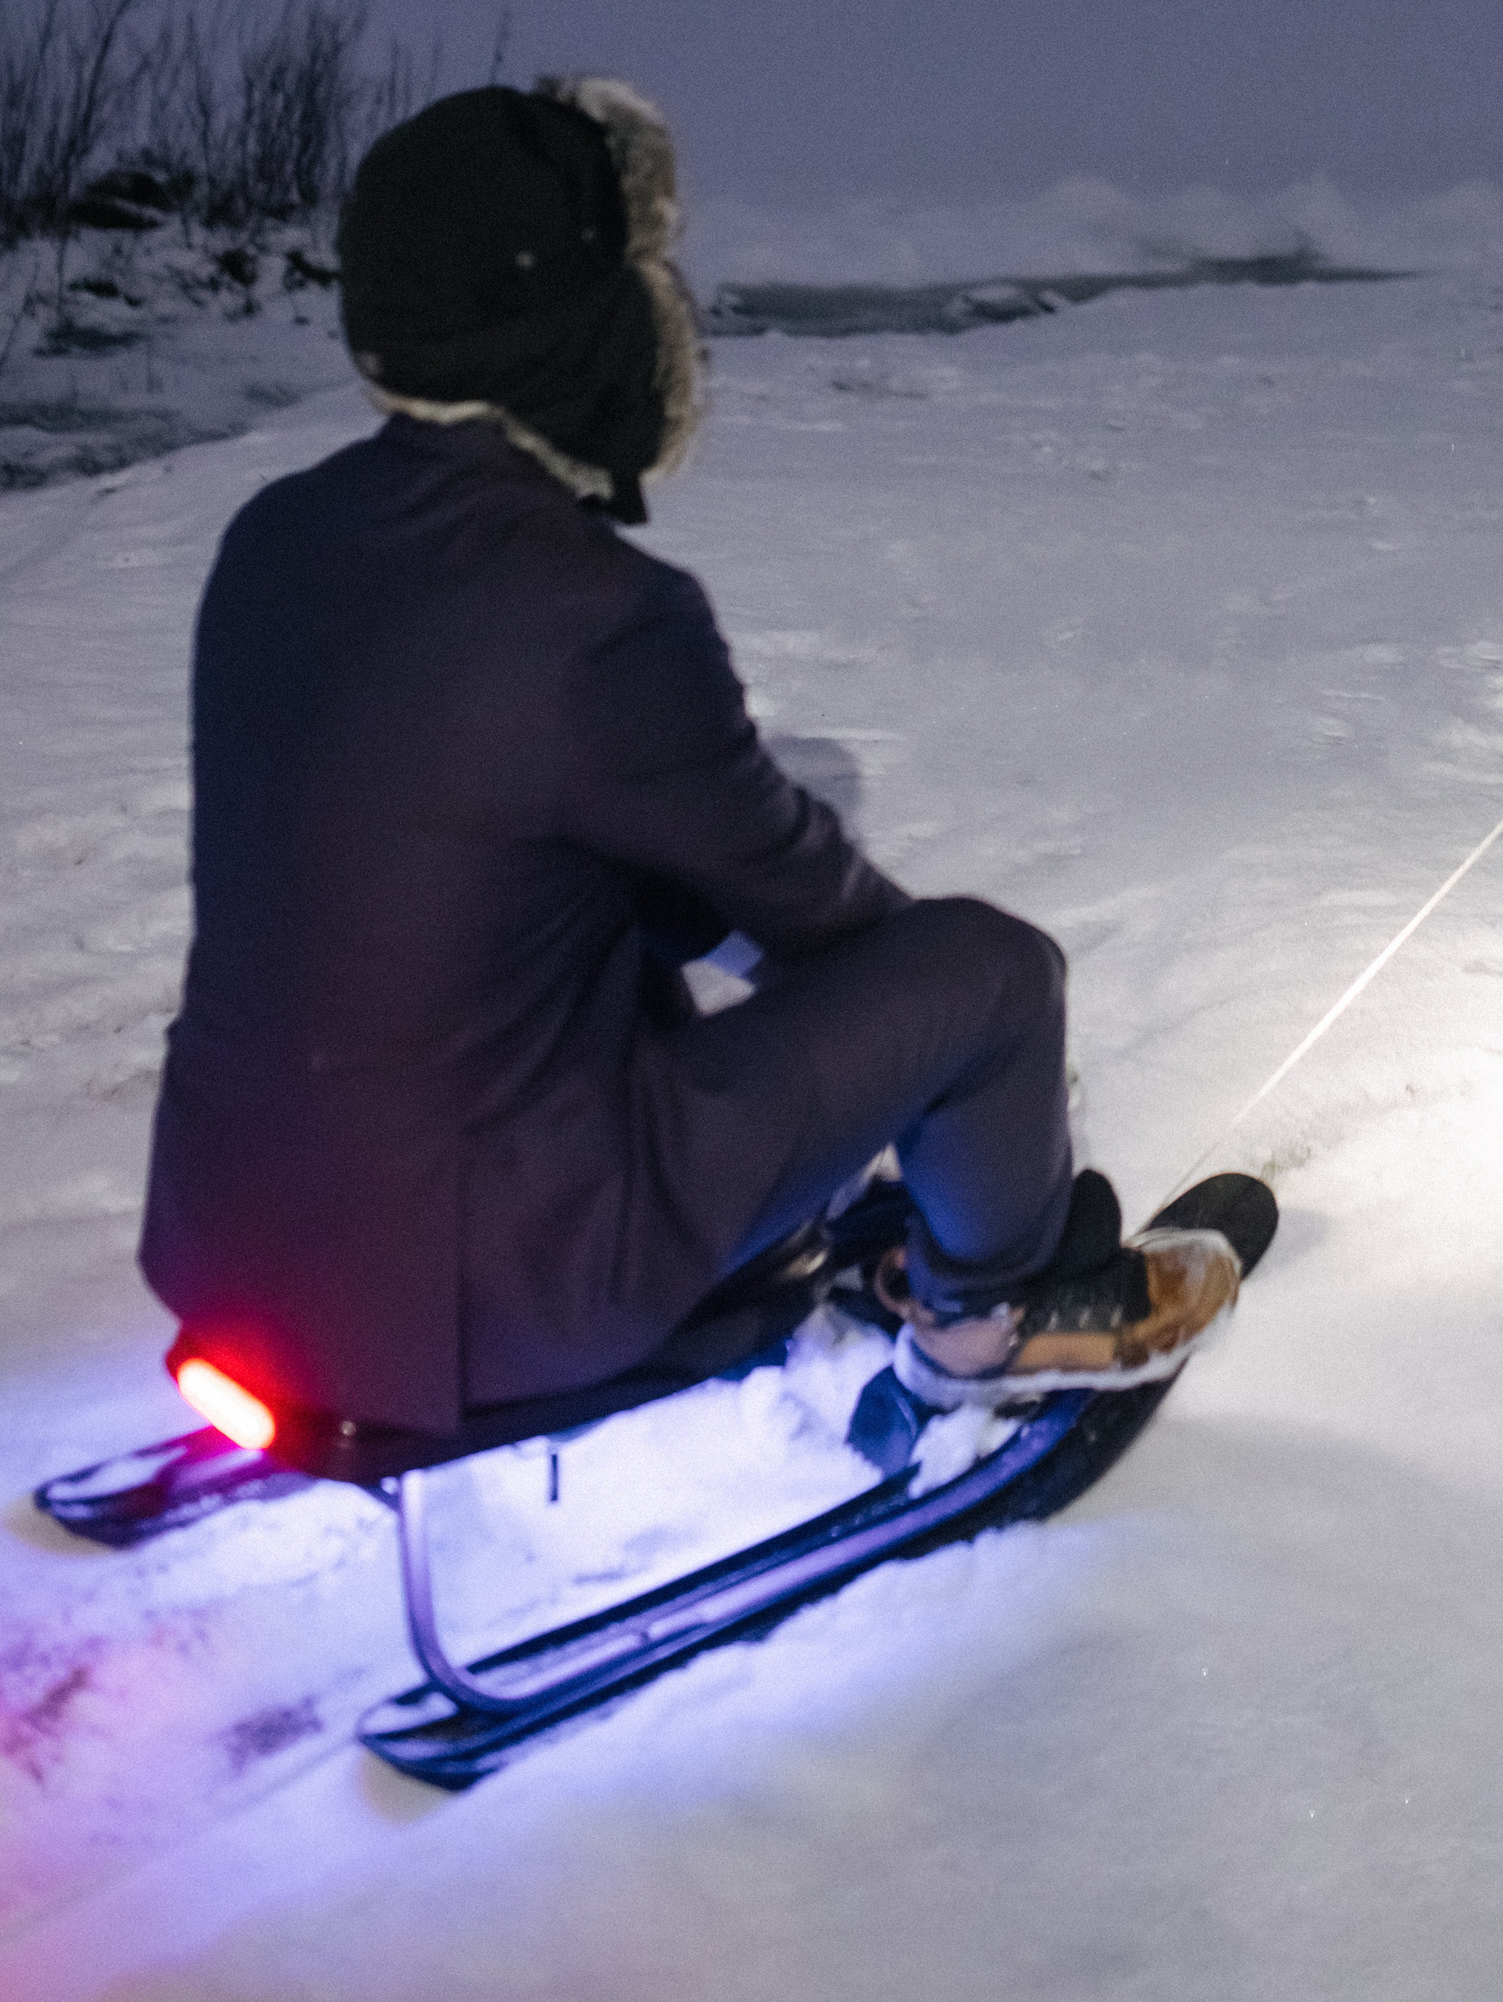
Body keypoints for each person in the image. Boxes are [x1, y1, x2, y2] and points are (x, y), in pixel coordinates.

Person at [140, 76, 1237, 1436]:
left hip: (234, 1244)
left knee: (647, 910)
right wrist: (951, 1086)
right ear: (587, 328)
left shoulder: (273, 542)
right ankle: (984, 1331)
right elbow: (823, 918)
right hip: (494, 1292)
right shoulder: (597, 617)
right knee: (993, 975)